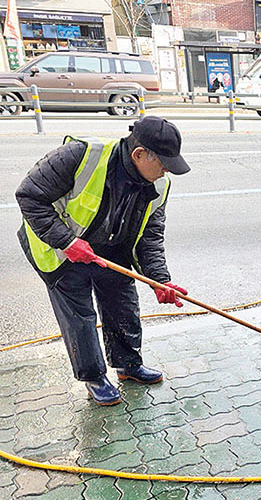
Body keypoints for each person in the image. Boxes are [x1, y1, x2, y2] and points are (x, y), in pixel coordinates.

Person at [16, 116, 191, 405]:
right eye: (162, 164)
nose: (165, 173)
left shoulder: (159, 186)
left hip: (110, 249)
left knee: (123, 304)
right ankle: (94, 377)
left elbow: (150, 235)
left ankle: (128, 365)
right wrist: (67, 242)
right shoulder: (79, 157)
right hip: (60, 249)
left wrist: (159, 279)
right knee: (80, 317)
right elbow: (29, 196)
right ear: (138, 155)